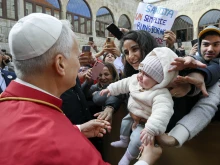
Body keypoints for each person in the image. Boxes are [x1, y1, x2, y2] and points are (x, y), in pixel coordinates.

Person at [0, 13, 154, 165]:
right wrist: (146, 160)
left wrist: (77, 129)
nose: (80, 63)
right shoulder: (67, 147)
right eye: (77, 55)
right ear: (60, 64)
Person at [100, 47, 178, 165]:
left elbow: (162, 113)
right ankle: (123, 140)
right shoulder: (136, 80)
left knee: (138, 139)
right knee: (124, 123)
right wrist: (111, 89)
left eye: (147, 75)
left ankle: (127, 156)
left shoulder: (161, 95)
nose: (140, 76)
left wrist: (150, 129)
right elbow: (123, 83)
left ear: (159, 81)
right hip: (132, 113)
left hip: (146, 124)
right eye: (141, 71)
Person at [156, 25, 220, 147]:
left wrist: (190, 86)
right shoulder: (191, 60)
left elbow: (211, 71)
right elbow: (189, 61)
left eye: (216, 44)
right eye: (206, 44)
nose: (210, 49)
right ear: (199, 46)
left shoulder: (217, 64)